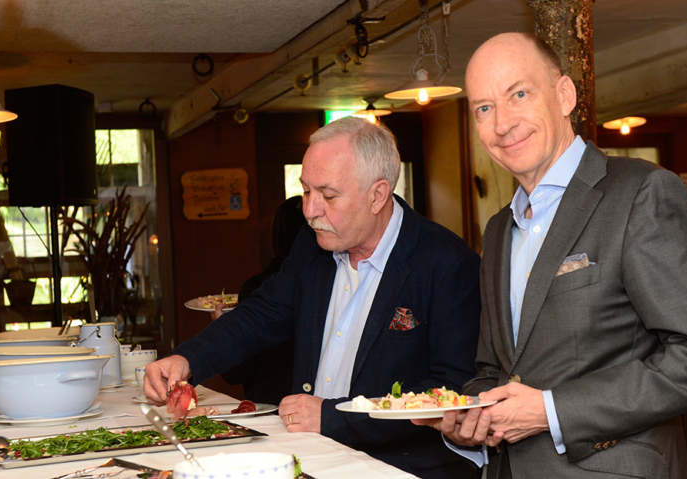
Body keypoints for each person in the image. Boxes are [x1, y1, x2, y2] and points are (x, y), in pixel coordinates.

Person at [416, 32, 687, 477]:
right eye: (484, 108)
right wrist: (470, 416)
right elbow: (495, 369)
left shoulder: (641, 193)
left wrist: (550, 410)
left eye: (520, 94)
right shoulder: (499, 230)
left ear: (564, 95)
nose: (502, 123)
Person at [145, 116, 482, 478]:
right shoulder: (313, 244)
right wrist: (188, 359)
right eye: (306, 191)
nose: (309, 210)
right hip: (310, 457)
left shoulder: (447, 263)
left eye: (328, 195)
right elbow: (261, 313)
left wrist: (335, 417)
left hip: (399, 467)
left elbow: (449, 389)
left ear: (378, 195)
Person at [213, 195, 307, 405]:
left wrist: (223, 325)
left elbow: (237, 372)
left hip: (271, 411)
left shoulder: (259, 288)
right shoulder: (331, 282)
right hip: (320, 410)